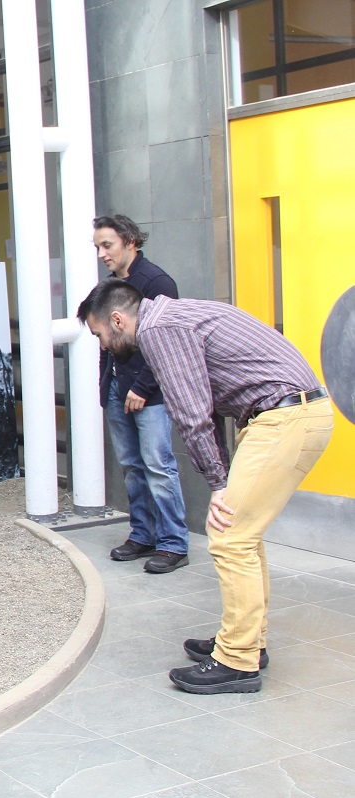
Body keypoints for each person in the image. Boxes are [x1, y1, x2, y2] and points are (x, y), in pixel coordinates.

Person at [79, 278, 333, 694]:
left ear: (118, 320)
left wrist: (218, 483)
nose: (103, 346)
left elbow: (192, 413)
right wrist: (222, 476)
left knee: (230, 535)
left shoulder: (159, 330)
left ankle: (237, 661)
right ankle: (247, 641)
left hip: (285, 418)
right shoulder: (174, 317)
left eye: (100, 335)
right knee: (242, 533)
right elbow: (207, 407)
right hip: (290, 414)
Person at [92, 215, 190, 574]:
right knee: (132, 467)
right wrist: (107, 386)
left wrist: (142, 388)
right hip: (117, 390)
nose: (102, 254)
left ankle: (173, 543)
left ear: (130, 241)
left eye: (107, 245)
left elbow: (168, 340)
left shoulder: (157, 282)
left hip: (149, 395)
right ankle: (143, 534)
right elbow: (104, 341)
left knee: (158, 467)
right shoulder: (110, 286)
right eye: (97, 247)